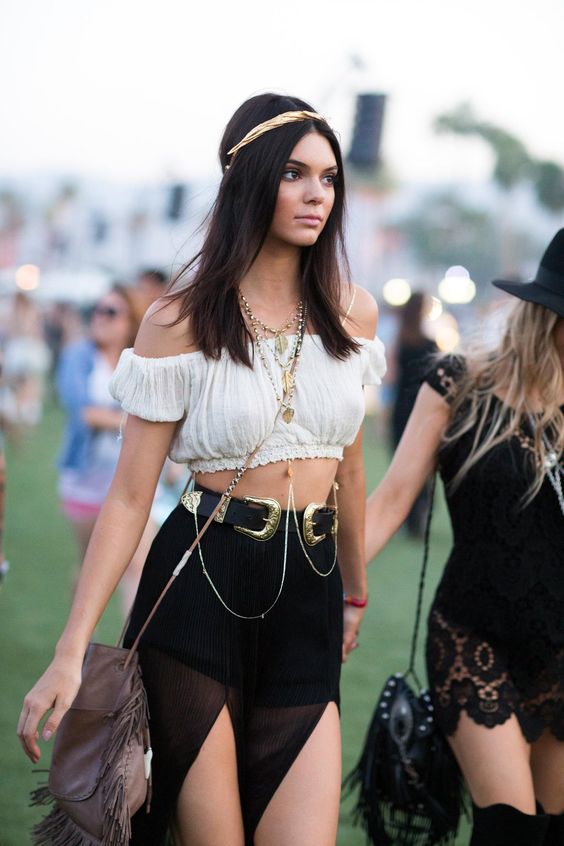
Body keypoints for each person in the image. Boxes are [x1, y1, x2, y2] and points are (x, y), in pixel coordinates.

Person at [18, 93, 386, 846]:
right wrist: (70, 654)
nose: (318, 193)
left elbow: (349, 475)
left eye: (328, 177)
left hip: (309, 593)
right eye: (294, 174)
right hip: (201, 584)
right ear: (249, 180)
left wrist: (354, 591)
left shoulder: (354, 314)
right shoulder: (180, 318)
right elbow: (127, 498)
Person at [365, 230, 564, 845]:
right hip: (472, 639)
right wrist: (333, 590)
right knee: (509, 829)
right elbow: (393, 499)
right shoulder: (460, 384)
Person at [56, 284, 152, 617]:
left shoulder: (140, 359)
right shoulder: (79, 356)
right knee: (89, 567)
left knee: (136, 565)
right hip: (86, 477)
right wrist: (133, 422)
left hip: (130, 479)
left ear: (129, 320)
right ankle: (77, 646)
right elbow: (83, 412)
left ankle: (127, 657)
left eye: (110, 312)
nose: (100, 318)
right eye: (96, 310)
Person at [389, 291, 437, 537]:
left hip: (401, 407)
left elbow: (392, 376)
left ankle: (406, 515)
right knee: (422, 463)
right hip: (423, 410)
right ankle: (418, 512)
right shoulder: (430, 345)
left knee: (401, 462)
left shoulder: (400, 341)